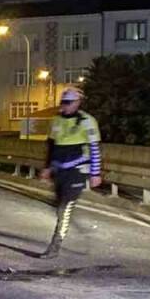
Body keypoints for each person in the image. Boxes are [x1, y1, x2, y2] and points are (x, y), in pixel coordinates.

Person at [39, 87, 102, 258]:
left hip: (78, 169)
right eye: (63, 102)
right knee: (59, 205)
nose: (64, 106)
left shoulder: (87, 121)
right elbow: (51, 146)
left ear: (77, 103)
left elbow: (95, 149)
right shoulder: (56, 120)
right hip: (59, 170)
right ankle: (59, 235)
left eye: (68, 103)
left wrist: (95, 173)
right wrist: (47, 167)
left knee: (64, 208)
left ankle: (55, 246)